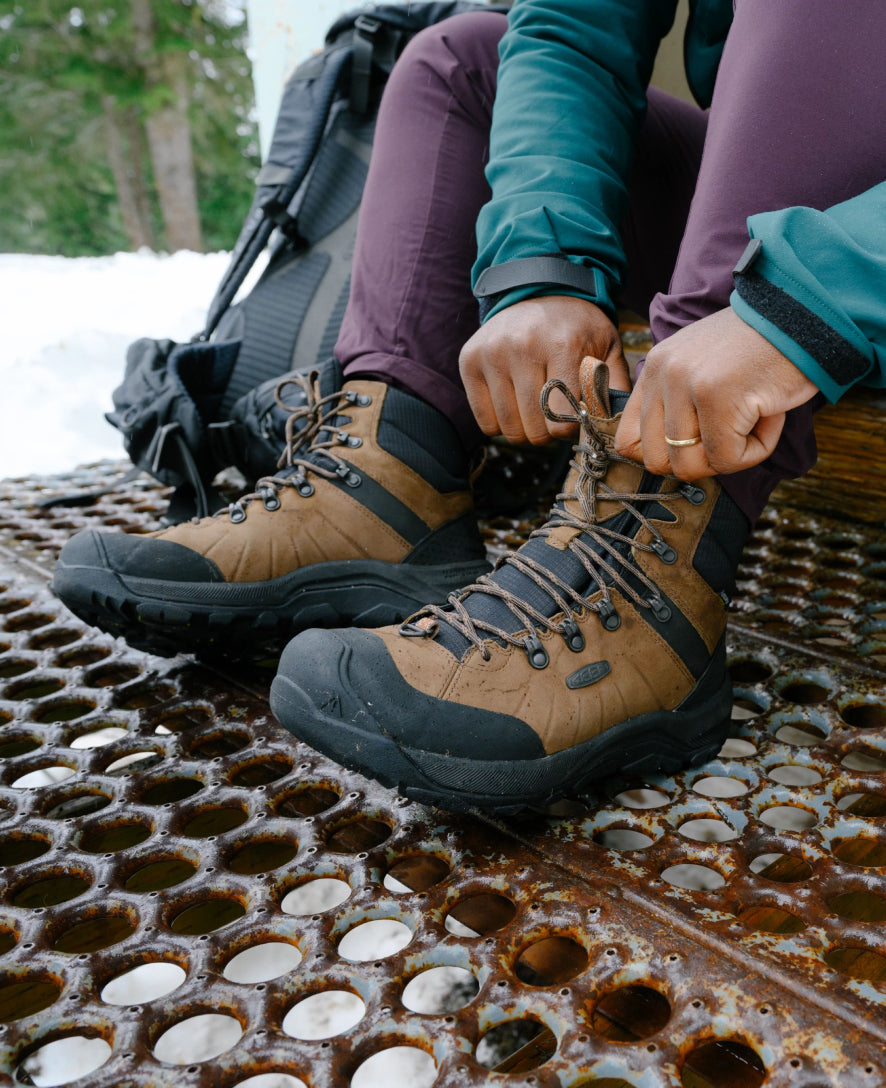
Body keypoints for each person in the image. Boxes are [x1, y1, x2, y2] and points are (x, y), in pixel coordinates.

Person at [54, 0, 886, 813]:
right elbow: (572, 26)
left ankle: (652, 572)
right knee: (458, 62)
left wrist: (811, 297)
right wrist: (542, 267)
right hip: (763, 201)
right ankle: (387, 487)